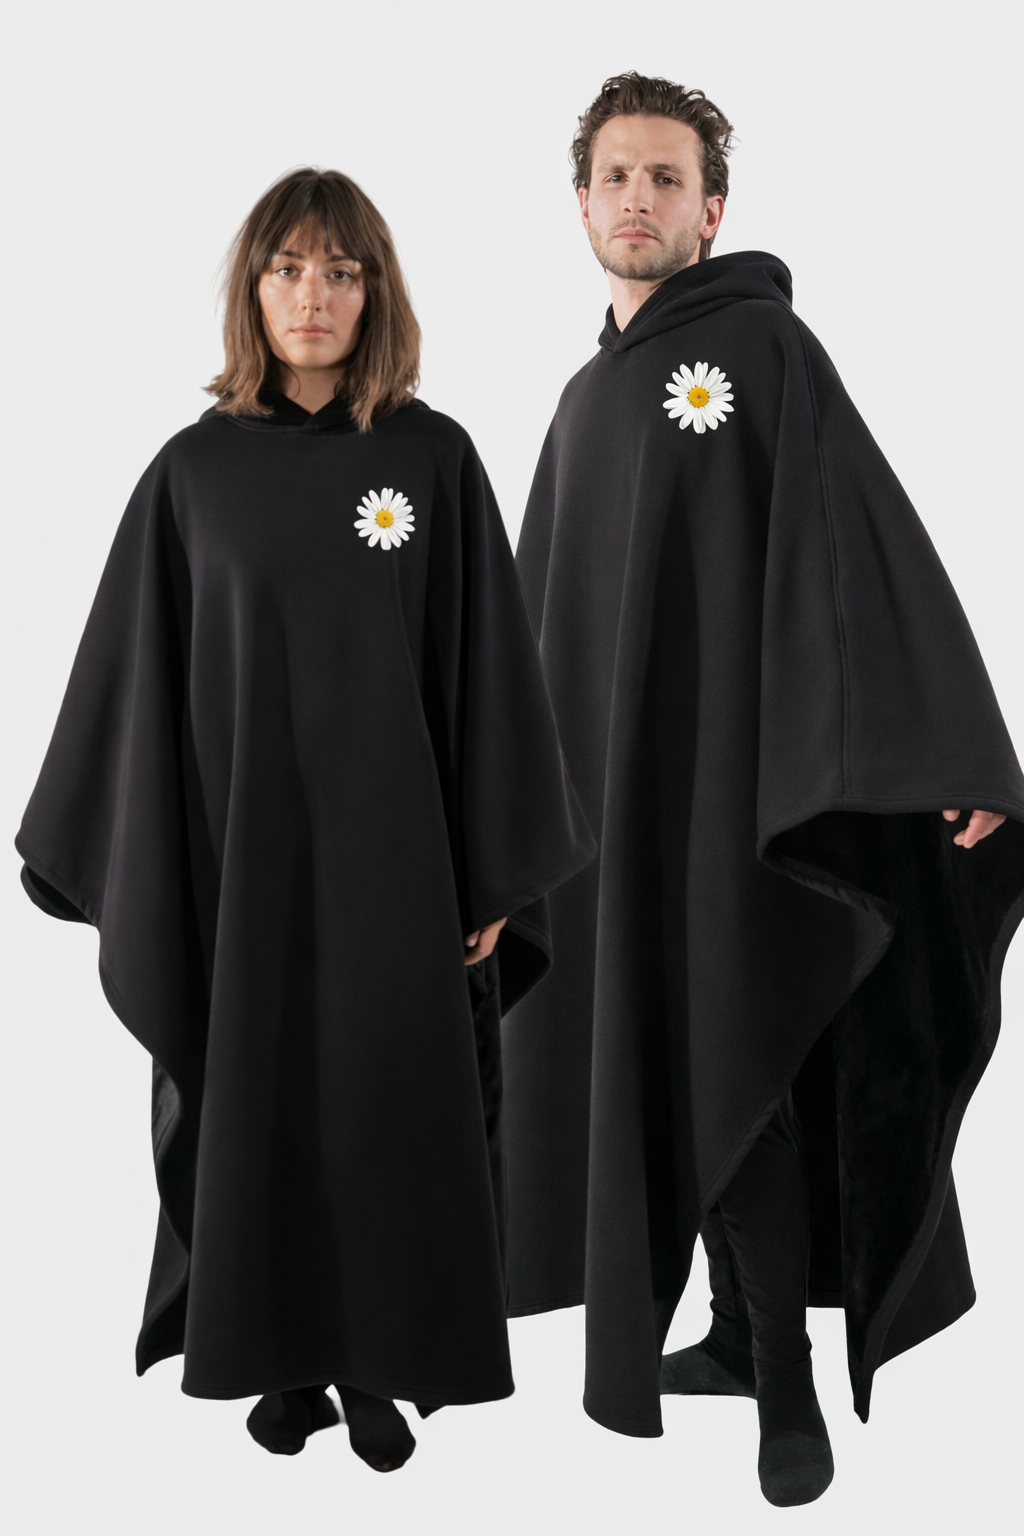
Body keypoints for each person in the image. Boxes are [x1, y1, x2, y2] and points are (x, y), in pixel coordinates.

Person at [16, 167, 594, 1473]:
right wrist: (134, 866)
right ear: (253, 289)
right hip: (244, 873)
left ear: (375, 292)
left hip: (400, 872)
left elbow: (491, 676)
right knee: (257, 1112)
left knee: (386, 1114)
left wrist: (494, 873)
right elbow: (133, 680)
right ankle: (273, 1359)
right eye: (287, 268)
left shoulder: (432, 460)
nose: (313, 295)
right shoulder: (193, 474)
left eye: (340, 270)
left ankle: (376, 1366)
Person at [501, 72, 1024, 1507]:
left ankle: (783, 1378)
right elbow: (546, 633)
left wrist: (952, 748)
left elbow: (861, 545)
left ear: (712, 208)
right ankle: (736, 1336)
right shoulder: (581, 406)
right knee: (669, 1059)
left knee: (743, 1052)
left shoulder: (759, 352)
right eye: (616, 176)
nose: (639, 198)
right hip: (618, 815)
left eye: (667, 178)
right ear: (581, 203)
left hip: (745, 795)